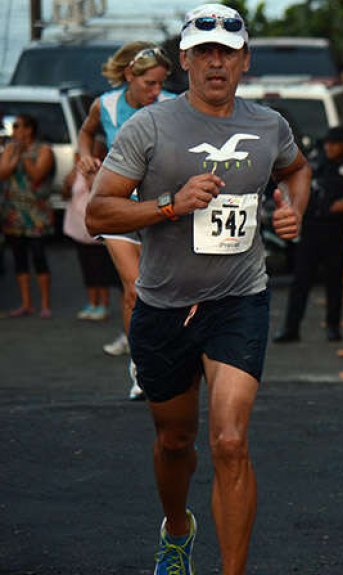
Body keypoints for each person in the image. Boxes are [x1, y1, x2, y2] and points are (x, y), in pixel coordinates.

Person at [85, 4, 311, 573]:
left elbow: (297, 168)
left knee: (230, 441)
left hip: (239, 299)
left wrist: (294, 210)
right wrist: (169, 204)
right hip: (164, 304)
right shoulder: (150, 127)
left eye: (228, 52)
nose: (216, 62)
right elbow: (98, 213)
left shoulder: (268, 126)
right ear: (185, 60)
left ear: (244, 61)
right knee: (175, 443)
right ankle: (178, 528)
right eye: (204, 51)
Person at [78, 40, 175, 398]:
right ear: (129, 76)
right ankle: (141, 371)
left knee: (166, 289)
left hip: (162, 209)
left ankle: (174, 358)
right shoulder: (104, 105)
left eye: (161, 83)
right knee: (135, 290)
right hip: (118, 208)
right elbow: (87, 133)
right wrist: (85, 157)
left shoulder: (172, 107)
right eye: (149, 83)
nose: (156, 90)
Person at [274, 126, 343, 343]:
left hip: (335, 230)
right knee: (301, 281)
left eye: (334, 144)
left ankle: (333, 327)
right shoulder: (316, 163)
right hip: (311, 229)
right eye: (327, 143)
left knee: (333, 281)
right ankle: (291, 328)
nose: (329, 148)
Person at [0, 113, 55, 318]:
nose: (14, 131)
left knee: (39, 257)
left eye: (17, 126)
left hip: (36, 214)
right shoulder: (10, 149)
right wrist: (13, 154)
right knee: (19, 258)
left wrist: (23, 155)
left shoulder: (44, 150)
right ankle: (26, 303)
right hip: (14, 213)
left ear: (29, 129)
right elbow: (2, 173)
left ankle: (45, 304)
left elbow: (37, 175)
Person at [63, 134, 120, 322]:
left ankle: (103, 305)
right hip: (79, 228)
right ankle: (91, 302)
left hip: (98, 228)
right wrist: (72, 174)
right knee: (86, 267)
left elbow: (95, 192)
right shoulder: (77, 171)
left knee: (100, 268)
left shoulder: (105, 171)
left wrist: (89, 175)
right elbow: (65, 192)